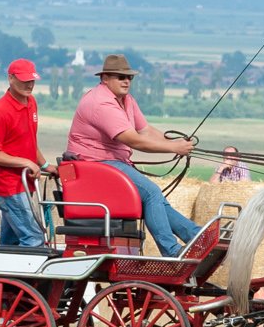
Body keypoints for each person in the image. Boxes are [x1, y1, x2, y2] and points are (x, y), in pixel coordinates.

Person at [67, 53, 202, 257]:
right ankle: (172, 251)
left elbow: (145, 131)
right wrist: (174, 148)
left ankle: (196, 236)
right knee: (151, 193)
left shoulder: (126, 100)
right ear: (104, 78)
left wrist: (174, 144)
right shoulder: (101, 103)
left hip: (113, 163)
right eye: (121, 77)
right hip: (95, 165)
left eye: (129, 77)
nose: (127, 81)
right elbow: (133, 140)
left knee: (157, 200)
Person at [0, 58, 52, 248]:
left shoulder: (31, 102)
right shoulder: (0, 112)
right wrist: (26, 163)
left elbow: (29, 141)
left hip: (24, 184)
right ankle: (30, 278)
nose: (29, 85)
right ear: (10, 79)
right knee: (34, 238)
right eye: (24, 80)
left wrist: (45, 165)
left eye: (32, 80)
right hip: (9, 187)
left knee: (10, 241)